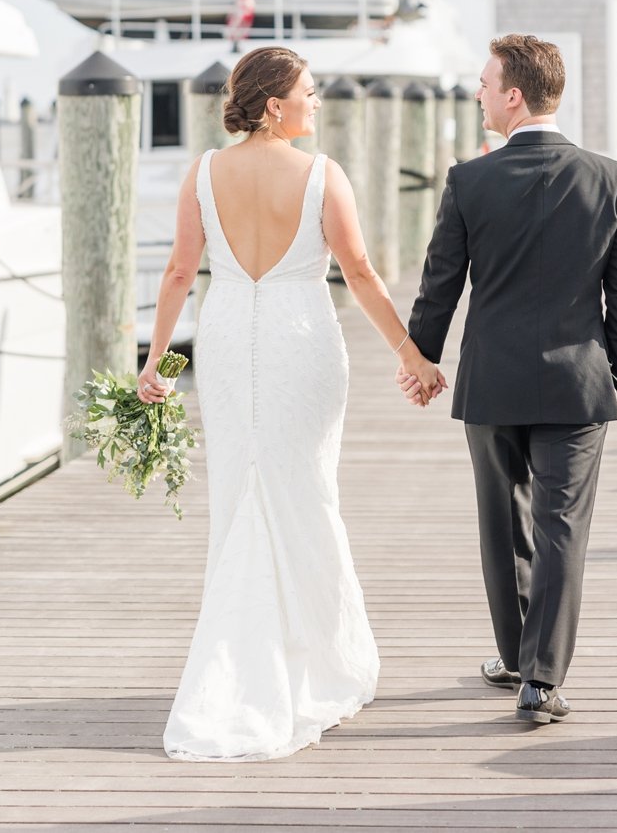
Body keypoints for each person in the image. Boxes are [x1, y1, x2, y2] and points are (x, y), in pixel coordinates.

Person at [138, 46, 442, 761]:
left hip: (224, 332)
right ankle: (314, 660)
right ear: (274, 105)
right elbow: (360, 270)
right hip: (301, 338)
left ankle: (253, 651)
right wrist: (410, 353)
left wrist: (156, 361)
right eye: (308, 92)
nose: (316, 103)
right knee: (306, 491)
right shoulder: (321, 175)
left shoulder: (204, 171)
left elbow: (182, 270)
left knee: (244, 487)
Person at [397, 34, 617, 726]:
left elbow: (439, 285)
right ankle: (539, 680)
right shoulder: (610, 177)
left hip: (493, 380)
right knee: (561, 525)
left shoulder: (470, 181)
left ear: (514, 94)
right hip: (577, 381)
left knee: (502, 521)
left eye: (484, 83)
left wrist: (422, 360)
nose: (477, 92)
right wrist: (611, 369)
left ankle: (515, 658)